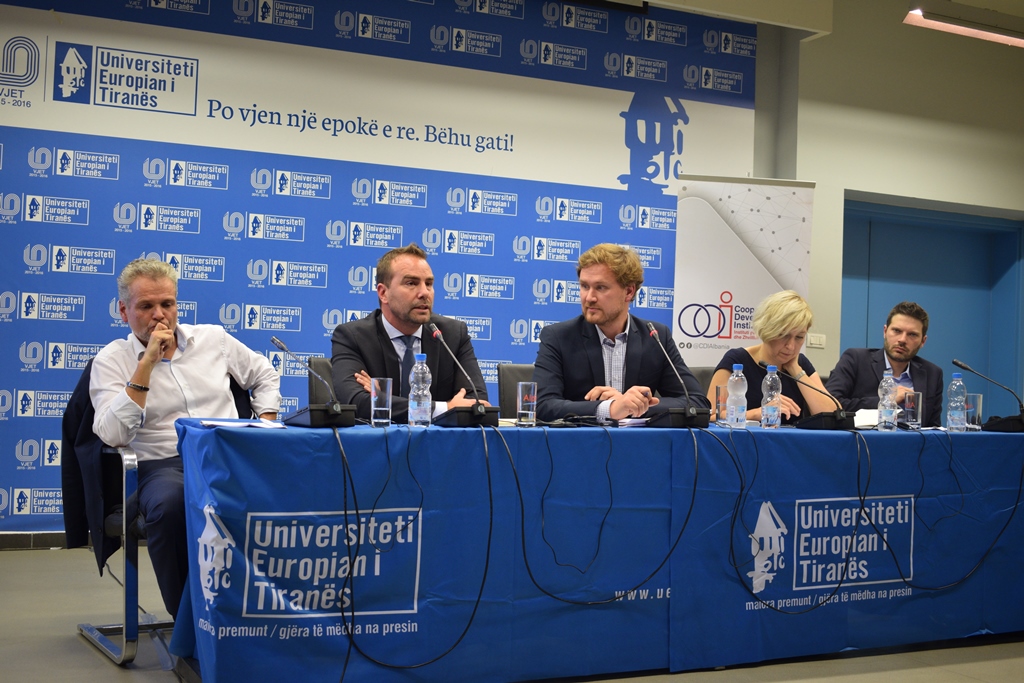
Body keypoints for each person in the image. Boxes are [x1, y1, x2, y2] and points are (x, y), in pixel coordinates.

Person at [90, 258, 280, 618]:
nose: (159, 315)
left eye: (167, 304)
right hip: (163, 465)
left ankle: (272, 610)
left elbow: (264, 374)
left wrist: (266, 423)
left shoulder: (213, 340)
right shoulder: (111, 361)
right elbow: (113, 435)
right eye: (146, 306)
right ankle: (190, 624)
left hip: (228, 453)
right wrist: (145, 365)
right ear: (124, 311)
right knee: (170, 505)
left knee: (289, 487)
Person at [533, 243, 709, 423]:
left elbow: (697, 402)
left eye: (601, 287)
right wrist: (609, 408)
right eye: (584, 286)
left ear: (629, 291)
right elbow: (542, 405)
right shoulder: (558, 337)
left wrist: (631, 405)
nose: (589, 297)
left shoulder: (656, 336)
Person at [331, 243, 490, 422]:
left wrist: (382, 399)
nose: (424, 293)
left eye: (429, 284)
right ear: (383, 293)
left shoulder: (452, 335)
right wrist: (445, 408)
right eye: (411, 283)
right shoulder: (352, 337)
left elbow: (477, 402)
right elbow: (356, 402)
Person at [709, 290, 835, 425]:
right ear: (767, 330)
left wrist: (795, 370)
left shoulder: (800, 363)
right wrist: (757, 413)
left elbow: (832, 415)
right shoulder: (737, 360)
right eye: (783, 335)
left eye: (799, 337)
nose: (791, 346)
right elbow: (711, 415)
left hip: (790, 438)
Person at [825, 301, 943, 427]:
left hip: (913, 439)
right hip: (867, 438)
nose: (902, 340)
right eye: (896, 331)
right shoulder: (855, 360)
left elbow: (934, 429)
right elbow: (829, 404)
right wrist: (887, 400)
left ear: (923, 341)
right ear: (885, 331)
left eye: (912, 334)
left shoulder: (932, 374)